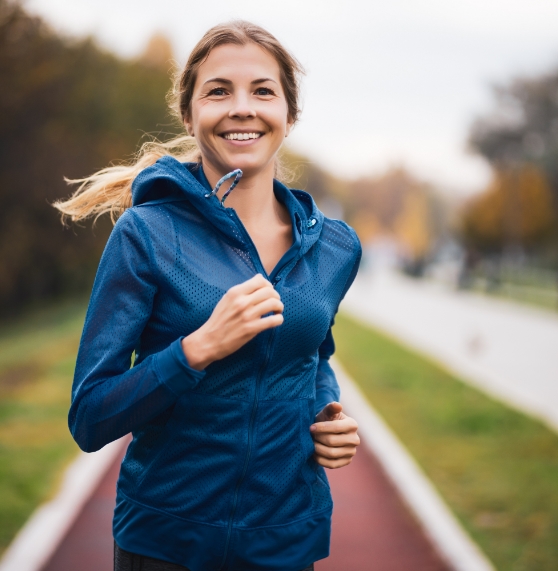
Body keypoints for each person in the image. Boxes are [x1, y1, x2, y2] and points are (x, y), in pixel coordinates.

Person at [55, 20, 361, 571]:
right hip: (165, 544)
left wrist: (326, 414)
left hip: (287, 541)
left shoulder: (335, 248)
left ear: (289, 116)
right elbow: (90, 417)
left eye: (262, 91)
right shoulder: (146, 234)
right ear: (190, 114)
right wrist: (197, 349)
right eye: (219, 91)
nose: (241, 107)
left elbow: (314, 355)